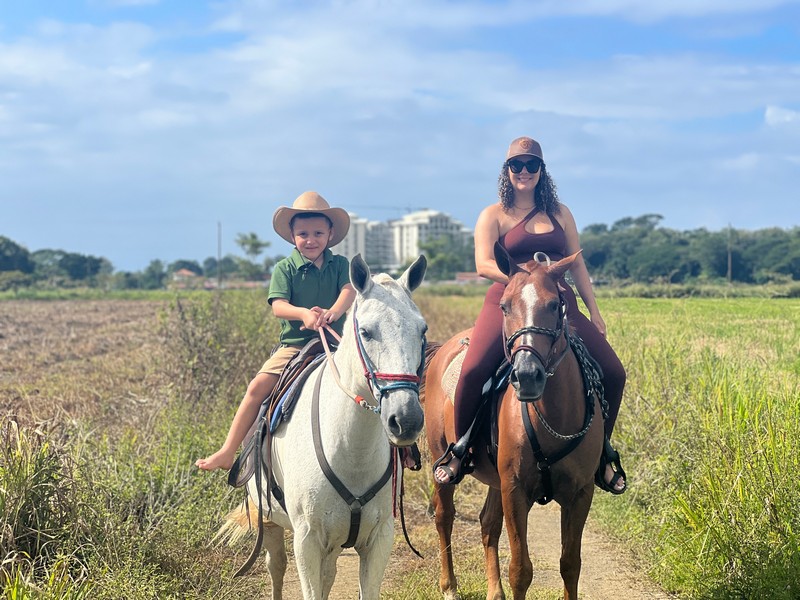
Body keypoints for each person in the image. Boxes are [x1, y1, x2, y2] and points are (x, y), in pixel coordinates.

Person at [432, 136, 627, 493]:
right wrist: (522, 276)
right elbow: (482, 263)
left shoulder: (561, 213)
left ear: (542, 171)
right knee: (473, 370)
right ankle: (461, 449)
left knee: (614, 372)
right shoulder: (493, 215)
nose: (524, 171)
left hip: (557, 302)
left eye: (531, 165)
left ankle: (601, 454)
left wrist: (595, 311)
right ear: (506, 171)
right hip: (507, 300)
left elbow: (578, 264)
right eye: (516, 165)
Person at [196, 191, 356, 471]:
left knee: (375, 380)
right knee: (257, 387)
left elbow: (349, 289)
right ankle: (228, 450)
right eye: (303, 233)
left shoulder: (340, 264)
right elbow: (279, 306)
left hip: (336, 344)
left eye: (318, 233)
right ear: (292, 236)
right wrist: (304, 314)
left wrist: (335, 312)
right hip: (296, 345)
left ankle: (401, 449)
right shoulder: (285, 268)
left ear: (330, 234)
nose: (310, 240)